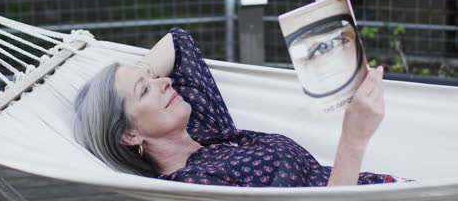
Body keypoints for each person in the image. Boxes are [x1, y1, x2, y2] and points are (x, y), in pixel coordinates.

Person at [74, 27, 409, 187]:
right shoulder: (193, 184)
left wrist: (138, 77)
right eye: (146, 90)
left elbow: (179, 41)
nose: (166, 81)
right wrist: (353, 138)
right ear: (130, 135)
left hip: (400, 188)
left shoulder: (206, 130)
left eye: (154, 77)